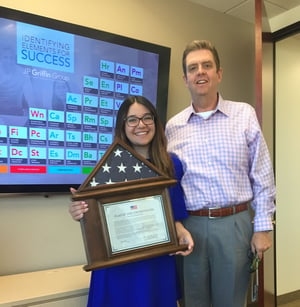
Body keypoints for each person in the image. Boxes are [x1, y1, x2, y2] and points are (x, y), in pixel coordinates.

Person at [165, 40, 276, 307]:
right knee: (194, 301)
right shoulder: (173, 126)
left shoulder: (244, 114)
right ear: (185, 78)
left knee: (231, 301)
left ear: (219, 73)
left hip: (234, 224)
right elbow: (170, 183)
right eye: (193, 68)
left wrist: (263, 227)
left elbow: (262, 173)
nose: (200, 72)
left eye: (207, 65)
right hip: (191, 227)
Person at [69, 95, 194, 307]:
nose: (141, 125)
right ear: (123, 125)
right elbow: (92, 211)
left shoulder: (172, 164)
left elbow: (175, 213)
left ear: (155, 121)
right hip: (117, 265)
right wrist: (79, 210)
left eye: (147, 118)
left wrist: (181, 232)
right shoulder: (109, 165)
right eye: (132, 120)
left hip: (156, 261)